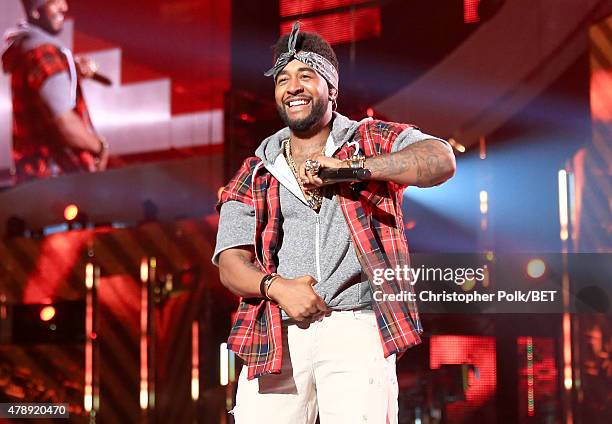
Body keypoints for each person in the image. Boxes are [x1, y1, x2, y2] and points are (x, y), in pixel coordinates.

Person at [213, 22, 456, 423]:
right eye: (283, 79)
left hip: (356, 327)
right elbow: (229, 263)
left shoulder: (368, 139)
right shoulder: (255, 171)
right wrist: (276, 288)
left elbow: (440, 160)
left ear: (331, 87)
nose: (292, 87)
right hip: (275, 331)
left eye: (306, 76)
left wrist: (348, 169)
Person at [2, 0, 108, 183]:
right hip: (60, 179)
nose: (64, 7)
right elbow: (66, 126)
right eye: (54, 1)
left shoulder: (28, 52)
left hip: (39, 180)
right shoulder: (42, 55)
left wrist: (72, 70)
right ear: (35, 11)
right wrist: (100, 147)